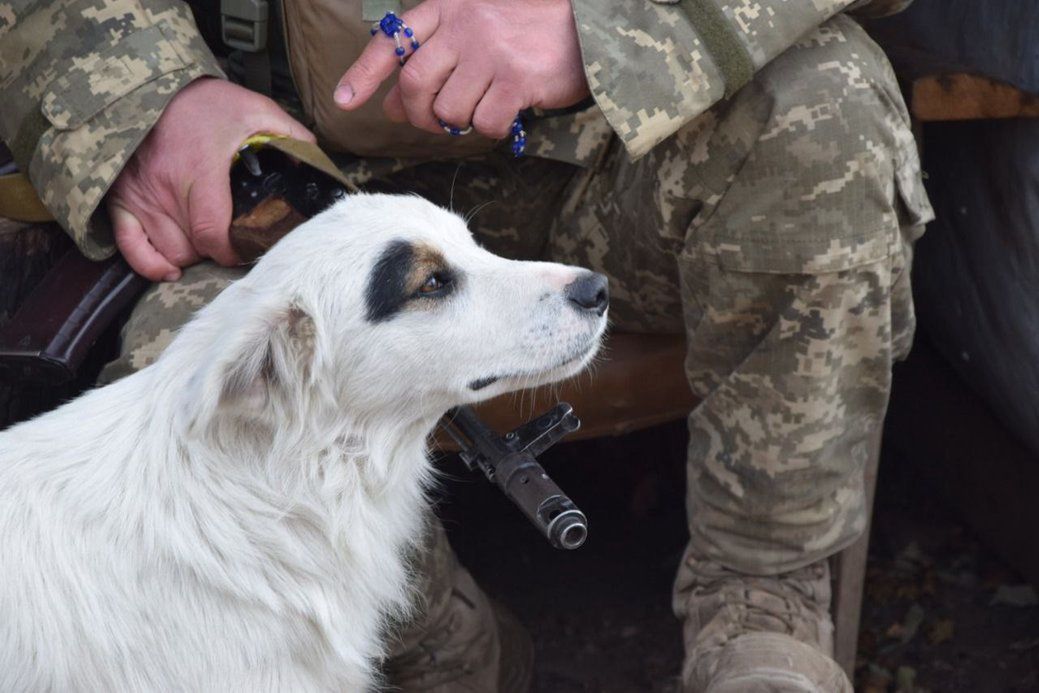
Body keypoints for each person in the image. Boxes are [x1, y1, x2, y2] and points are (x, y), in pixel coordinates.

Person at [1, 0, 933, 689]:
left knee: (826, 112)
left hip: (624, 140)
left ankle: (762, 619)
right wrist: (152, 97)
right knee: (192, 392)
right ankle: (440, 656)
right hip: (283, 173)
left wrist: (607, 24)